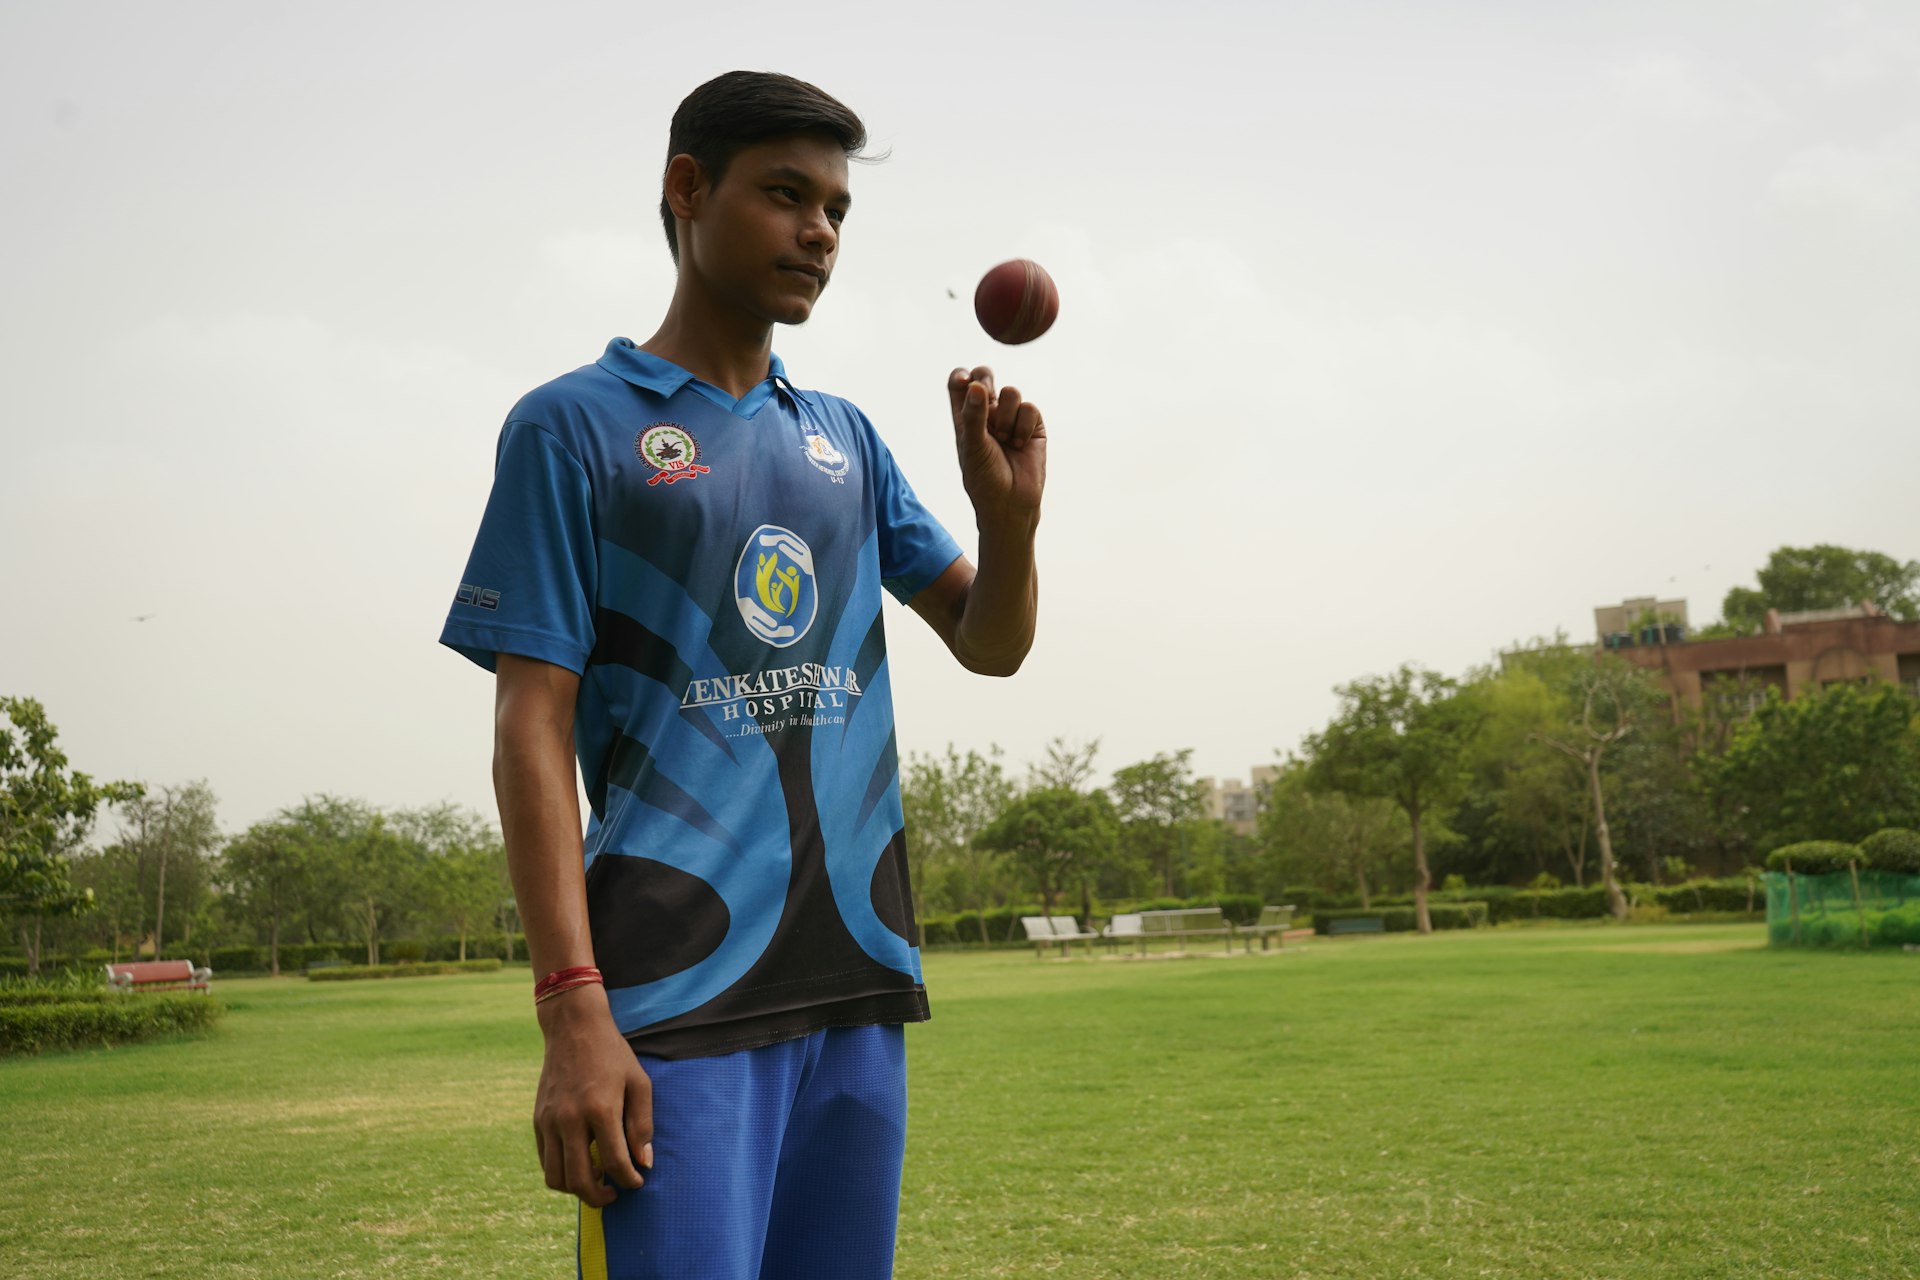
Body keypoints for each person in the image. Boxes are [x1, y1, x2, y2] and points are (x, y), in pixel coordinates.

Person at [439, 70, 1045, 1279]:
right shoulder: (574, 426)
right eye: (785, 194)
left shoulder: (847, 437)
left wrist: (1011, 521)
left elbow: (990, 641)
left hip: (857, 984)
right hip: (675, 1001)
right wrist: (572, 1010)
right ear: (685, 189)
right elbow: (528, 728)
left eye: (835, 209)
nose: (819, 231)